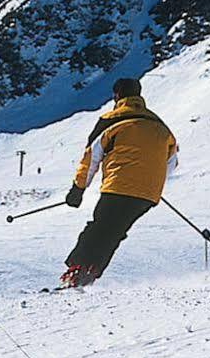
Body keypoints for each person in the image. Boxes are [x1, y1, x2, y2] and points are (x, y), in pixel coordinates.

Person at [58, 77, 179, 289]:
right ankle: (88, 274)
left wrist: (77, 190)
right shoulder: (160, 125)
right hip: (148, 193)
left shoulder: (111, 120)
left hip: (119, 186)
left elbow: (91, 157)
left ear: (116, 95)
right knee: (114, 231)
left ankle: (77, 272)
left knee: (98, 228)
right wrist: (152, 182)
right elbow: (171, 161)